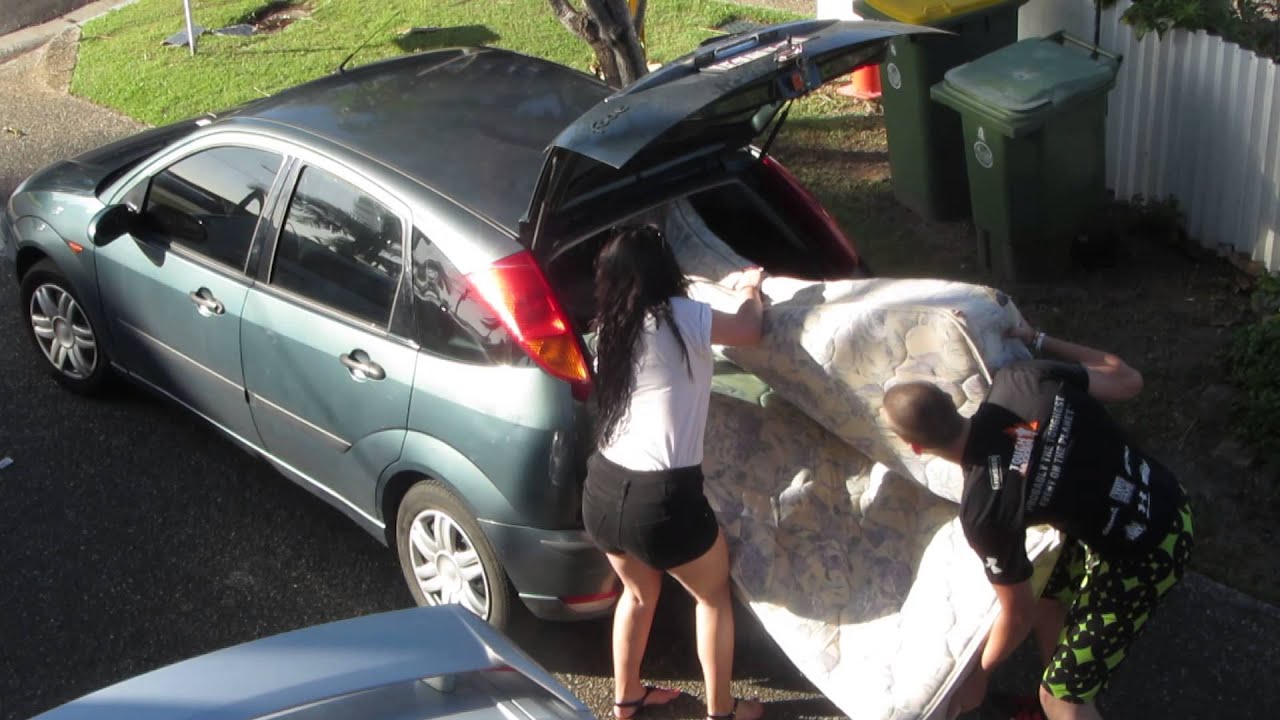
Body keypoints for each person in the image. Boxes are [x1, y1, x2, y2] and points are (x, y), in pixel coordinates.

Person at [881, 321, 1194, 720]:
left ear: (916, 447)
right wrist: (1038, 339)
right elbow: (1127, 379)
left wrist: (979, 674)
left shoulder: (983, 510)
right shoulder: (1023, 379)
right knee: (1050, 591)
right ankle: (1064, 691)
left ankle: (1065, 702)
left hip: (1146, 555)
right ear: (950, 398)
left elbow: (1016, 612)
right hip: (1168, 496)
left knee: (1060, 697)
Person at [582, 224, 766, 720]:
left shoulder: (609, 329)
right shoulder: (681, 317)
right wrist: (749, 288)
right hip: (662, 502)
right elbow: (750, 329)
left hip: (602, 490)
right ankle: (722, 712)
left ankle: (627, 700)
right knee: (712, 597)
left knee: (639, 593)